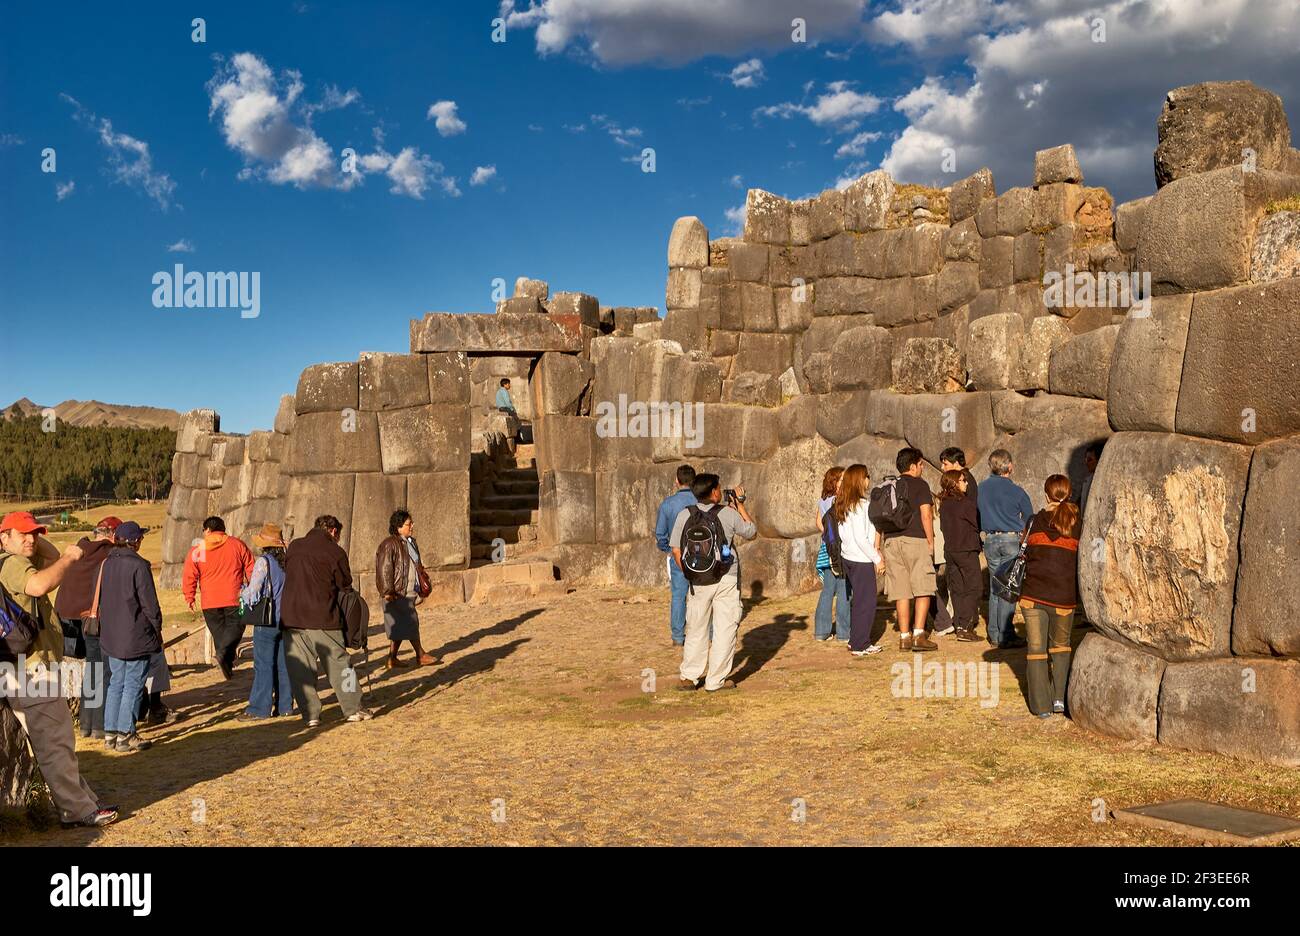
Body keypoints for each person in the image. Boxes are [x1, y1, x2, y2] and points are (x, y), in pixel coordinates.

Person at [0, 511, 117, 827]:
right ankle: (77, 811)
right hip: (32, 670)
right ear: (3, 537)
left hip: (17, 669)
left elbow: (50, 557)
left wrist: (34, 541)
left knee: (54, 741)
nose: (31, 539)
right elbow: (40, 585)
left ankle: (82, 802)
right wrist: (67, 556)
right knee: (55, 742)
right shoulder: (12, 564)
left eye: (34, 533)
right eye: (22, 533)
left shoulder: (16, 558)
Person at [670, 474, 756, 692]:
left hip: (697, 581)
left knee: (696, 627)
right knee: (724, 629)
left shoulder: (684, 515)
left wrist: (690, 572)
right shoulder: (728, 514)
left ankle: (689, 677)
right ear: (714, 492)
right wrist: (740, 505)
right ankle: (716, 680)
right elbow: (751, 532)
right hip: (725, 578)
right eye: (718, 488)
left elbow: (676, 549)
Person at [282, 515, 371, 726]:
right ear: (332, 530)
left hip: (291, 616)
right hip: (322, 615)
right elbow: (344, 584)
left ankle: (310, 715)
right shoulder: (335, 551)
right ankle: (353, 708)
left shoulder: (294, 547)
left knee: (300, 668)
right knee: (341, 664)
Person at [53, 515, 121, 739]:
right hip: (94, 620)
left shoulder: (79, 549)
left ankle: (86, 723)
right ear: (112, 534)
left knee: (92, 671)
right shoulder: (107, 554)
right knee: (103, 671)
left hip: (68, 619)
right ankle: (100, 725)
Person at [1019, 475, 1082, 717]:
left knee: (1036, 649)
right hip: (1064, 595)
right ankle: (1059, 700)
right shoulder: (1077, 522)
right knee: (1062, 647)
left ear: (1046, 494)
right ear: (1069, 492)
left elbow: (1022, 551)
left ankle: (1040, 706)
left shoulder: (1034, 521)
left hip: (1033, 594)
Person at [97, 521, 161, 753]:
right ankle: (126, 734)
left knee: (116, 683)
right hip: (135, 635)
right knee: (133, 684)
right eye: (140, 538)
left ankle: (111, 733)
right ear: (134, 541)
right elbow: (150, 605)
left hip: (112, 635)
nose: (142, 541)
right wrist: (157, 629)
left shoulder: (106, 564)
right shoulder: (139, 566)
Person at [183, 516, 255, 679]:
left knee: (220, 634)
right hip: (234, 597)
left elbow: (190, 574)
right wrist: (252, 587)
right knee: (236, 628)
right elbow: (251, 567)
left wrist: (190, 596)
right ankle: (224, 659)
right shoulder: (236, 545)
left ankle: (226, 667)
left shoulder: (199, 550)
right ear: (223, 529)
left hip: (210, 601)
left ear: (207, 530)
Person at [881, 448, 938, 652]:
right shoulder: (920, 485)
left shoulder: (890, 485)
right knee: (923, 587)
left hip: (892, 541)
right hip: (915, 540)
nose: (922, 468)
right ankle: (918, 634)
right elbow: (926, 515)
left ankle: (904, 637)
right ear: (913, 466)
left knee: (901, 590)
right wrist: (930, 542)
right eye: (921, 464)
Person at [977, 449, 1033, 649]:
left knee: (995, 588)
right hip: (1011, 540)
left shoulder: (981, 488)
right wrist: (1024, 540)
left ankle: (994, 634)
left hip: (990, 540)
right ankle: (1006, 634)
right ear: (1009, 467)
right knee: (1008, 587)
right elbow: (1029, 517)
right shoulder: (1017, 491)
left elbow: (976, 514)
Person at [238, 523, 293, 720]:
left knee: (263, 665)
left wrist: (242, 592)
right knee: (283, 665)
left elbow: (253, 594)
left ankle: (259, 708)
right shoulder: (288, 562)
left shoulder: (264, 562)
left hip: (267, 621)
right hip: (286, 619)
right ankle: (285, 705)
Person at [376, 510, 438, 669]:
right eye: (409, 524)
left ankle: (392, 659)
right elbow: (384, 569)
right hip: (397, 592)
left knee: (400, 626)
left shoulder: (410, 542)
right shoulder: (389, 544)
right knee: (411, 622)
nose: (412, 526)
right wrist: (388, 591)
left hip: (409, 590)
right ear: (398, 527)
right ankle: (420, 654)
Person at [833, 464, 884, 657]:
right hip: (861, 560)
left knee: (860, 601)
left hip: (850, 558)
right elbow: (861, 538)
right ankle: (860, 644)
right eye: (866, 476)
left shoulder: (844, 504)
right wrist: (877, 558)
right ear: (858, 481)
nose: (868, 480)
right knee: (867, 602)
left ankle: (856, 639)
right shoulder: (861, 506)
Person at [654, 464, 697, 646]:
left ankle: (678, 637)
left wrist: (669, 550)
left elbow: (660, 533)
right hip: (701, 555)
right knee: (703, 595)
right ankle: (708, 633)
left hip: (677, 554)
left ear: (677, 480)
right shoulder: (701, 502)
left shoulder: (667, 504)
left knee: (679, 595)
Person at [937, 470, 982, 642]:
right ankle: (965, 626)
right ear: (955, 483)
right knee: (974, 587)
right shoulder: (966, 503)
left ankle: (959, 624)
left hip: (951, 551)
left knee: (957, 588)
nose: (966, 483)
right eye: (963, 480)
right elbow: (975, 523)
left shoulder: (944, 504)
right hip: (966, 549)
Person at [814, 466, 850, 642]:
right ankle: (843, 633)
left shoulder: (823, 500)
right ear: (834, 482)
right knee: (844, 589)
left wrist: (827, 536)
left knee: (827, 591)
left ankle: (821, 631)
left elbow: (818, 522)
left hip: (825, 550)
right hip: (839, 551)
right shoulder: (839, 500)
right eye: (843, 479)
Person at [1078, 441, 1104, 517]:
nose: (1086, 462)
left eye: (1089, 459)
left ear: (1099, 460)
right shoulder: (1087, 481)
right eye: (1085, 459)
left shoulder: (1103, 481)